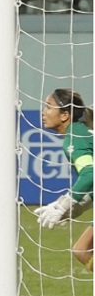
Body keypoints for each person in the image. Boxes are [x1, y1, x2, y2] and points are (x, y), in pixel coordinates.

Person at [32, 89, 94, 271]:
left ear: (65, 115)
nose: (43, 112)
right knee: (81, 249)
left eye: (48, 107)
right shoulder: (79, 132)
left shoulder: (74, 139)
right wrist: (68, 209)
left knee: (82, 249)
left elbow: (90, 173)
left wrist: (64, 205)